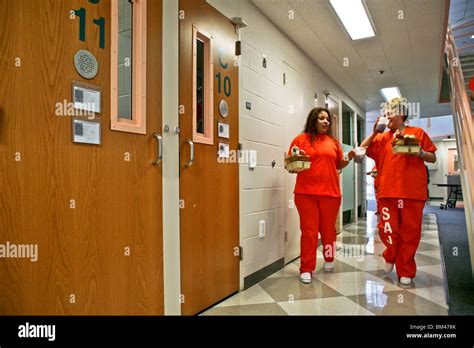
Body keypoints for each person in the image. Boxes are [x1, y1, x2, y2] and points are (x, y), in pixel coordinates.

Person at [360, 97, 437, 285]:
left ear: (402, 114)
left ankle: (406, 270)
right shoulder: (380, 138)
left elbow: (432, 157)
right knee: (387, 229)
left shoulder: (417, 132)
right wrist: (374, 132)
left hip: (412, 193)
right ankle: (390, 253)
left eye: (391, 112)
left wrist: (419, 152)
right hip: (387, 192)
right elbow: (362, 150)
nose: (387, 115)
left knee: (410, 233)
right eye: (385, 112)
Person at [288, 107, 355, 284]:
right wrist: (296, 165)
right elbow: (292, 165)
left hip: (330, 194)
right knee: (309, 232)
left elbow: (339, 164)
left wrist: (351, 156)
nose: (325, 121)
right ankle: (306, 269)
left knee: (328, 231)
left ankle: (329, 258)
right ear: (313, 121)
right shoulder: (300, 140)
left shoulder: (333, 142)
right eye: (321, 118)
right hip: (305, 193)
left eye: (327, 119)